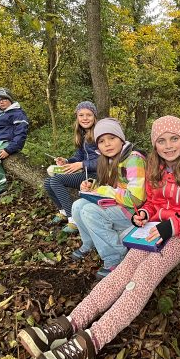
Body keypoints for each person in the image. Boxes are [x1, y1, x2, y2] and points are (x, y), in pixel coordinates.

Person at [18, 115, 180, 359]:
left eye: (174, 139)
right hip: (153, 230)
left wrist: (172, 226)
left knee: (144, 275)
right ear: (155, 145)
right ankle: (72, 322)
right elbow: (153, 202)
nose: (168, 145)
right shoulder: (157, 168)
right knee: (123, 270)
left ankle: (92, 341)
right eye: (161, 141)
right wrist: (145, 213)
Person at [69, 117, 146, 279]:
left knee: (90, 211)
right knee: (77, 205)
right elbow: (107, 186)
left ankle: (115, 257)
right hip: (117, 206)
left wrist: (106, 190)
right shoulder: (107, 160)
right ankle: (89, 242)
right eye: (102, 141)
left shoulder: (133, 160)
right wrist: (92, 187)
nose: (107, 144)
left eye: (112, 138)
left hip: (135, 213)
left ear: (121, 139)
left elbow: (136, 199)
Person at [44, 101, 99, 233]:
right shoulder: (82, 133)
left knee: (56, 180)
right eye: (81, 115)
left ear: (95, 116)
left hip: (97, 175)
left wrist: (82, 164)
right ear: (77, 117)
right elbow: (79, 155)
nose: (85, 118)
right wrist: (67, 161)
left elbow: (106, 160)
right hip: (86, 171)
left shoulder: (99, 133)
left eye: (89, 115)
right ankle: (63, 211)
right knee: (47, 182)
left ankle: (73, 220)